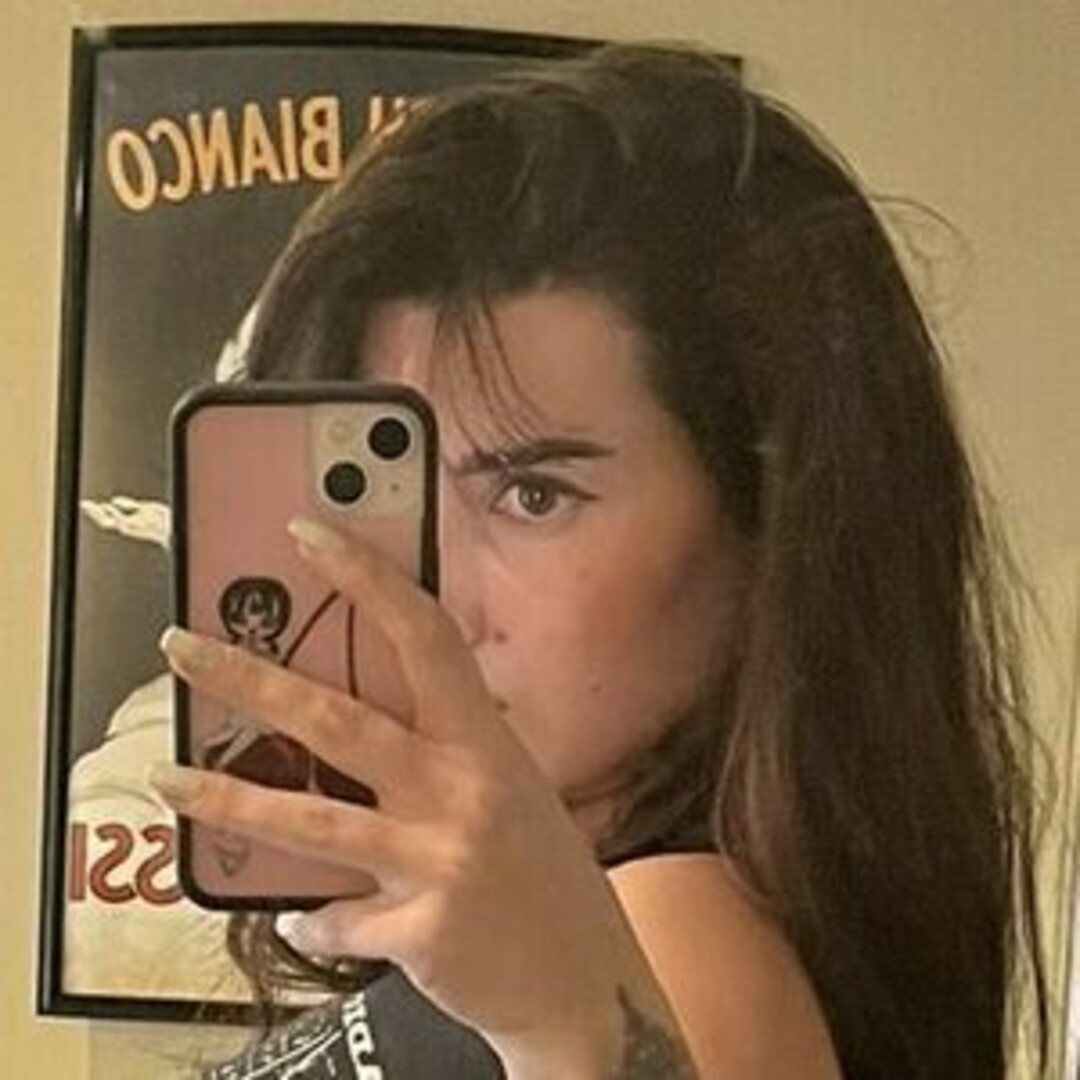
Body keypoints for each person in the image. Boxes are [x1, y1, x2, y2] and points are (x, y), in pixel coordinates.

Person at [147, 43, 1047, 1078]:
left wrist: (570, 1026)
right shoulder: (532, 939)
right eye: (393, 501)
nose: (433, 601)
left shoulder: (673, 943)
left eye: (532, 495)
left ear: (769, 531)